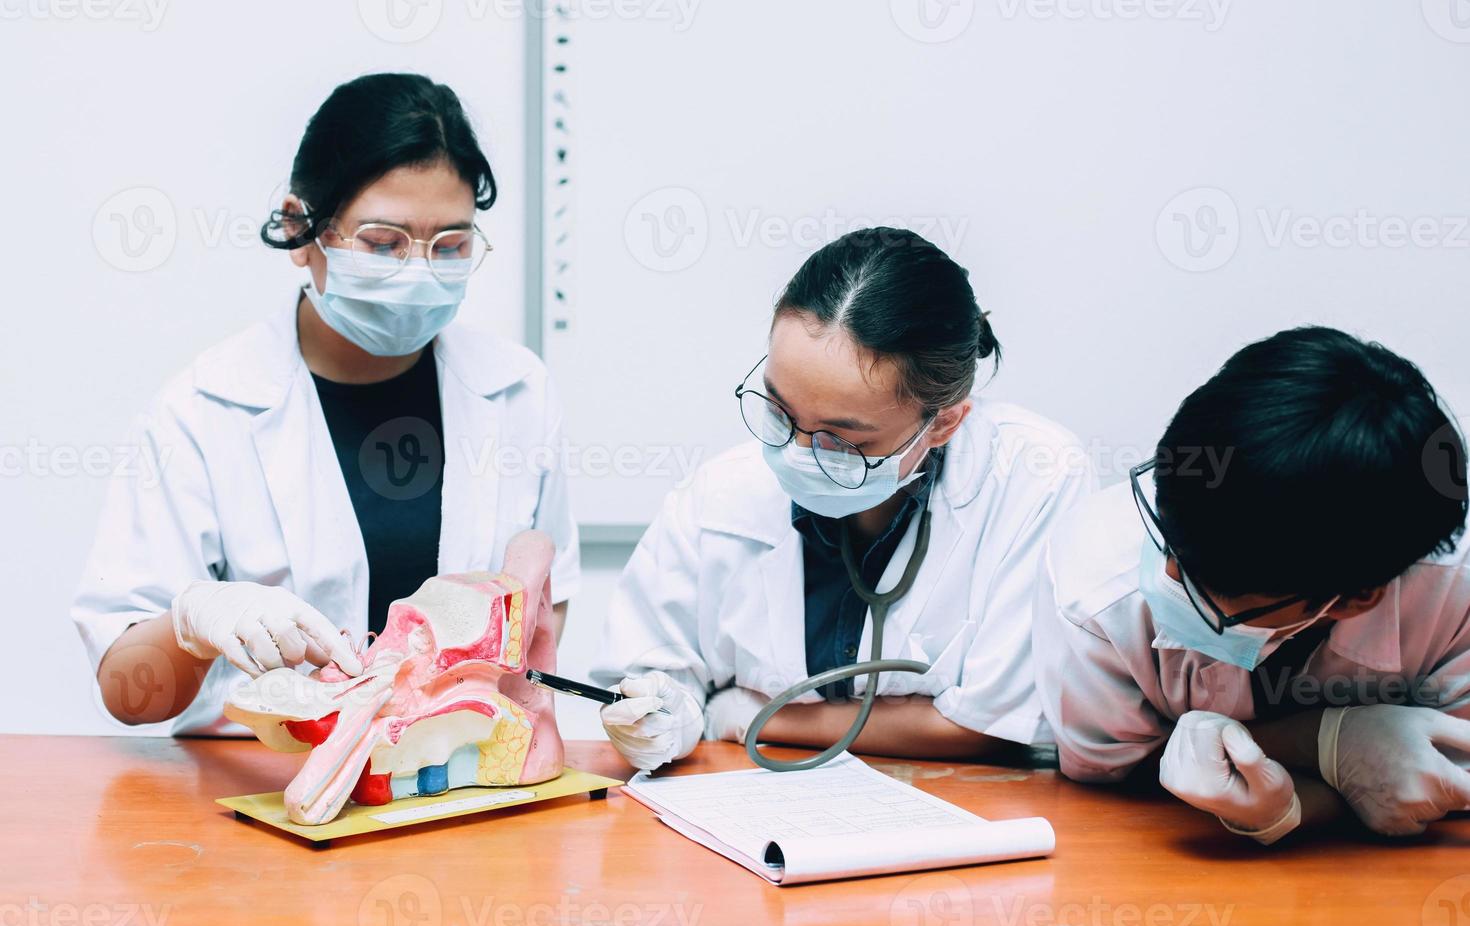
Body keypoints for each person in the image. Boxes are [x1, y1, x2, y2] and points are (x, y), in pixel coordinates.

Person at [73, 74, 579, 733]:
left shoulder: (517, 393)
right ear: (299, 228)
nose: (419, 272)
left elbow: (545, 612)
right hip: (254, 789)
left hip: (451, 782)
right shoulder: (202, 412)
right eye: (383, 243)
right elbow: (128, 693)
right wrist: (193, 623)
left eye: (450, 245)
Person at [592, 228, 1095, 770]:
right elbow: (647, 678)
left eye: (843, 439)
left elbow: (995, 725)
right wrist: (663, 720)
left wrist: (755, 715)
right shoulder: (719, 495)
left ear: (943, 421)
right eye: (780, 413)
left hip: (962, 808)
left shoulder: (1033, 479)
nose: (800, 452)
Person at [1035, 326, 1470, 843]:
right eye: (1167, 540)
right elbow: (1108, 767)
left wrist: (1302, 799)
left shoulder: (1452, 592)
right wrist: (1327, 750)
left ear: (1355, 599)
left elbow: (1450, 779)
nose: (1166, 574)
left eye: (1211, 592)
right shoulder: (1099, 579)